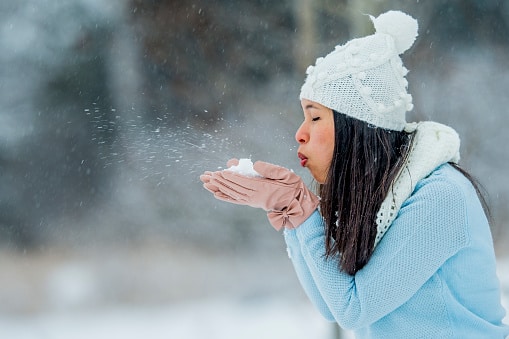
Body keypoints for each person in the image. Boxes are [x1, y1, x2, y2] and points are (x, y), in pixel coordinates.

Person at [200, 10, 509, 338]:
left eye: (315, 118)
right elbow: (329, 304)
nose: (300, 133)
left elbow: (354, 308)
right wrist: (291, 213)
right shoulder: (380, 201)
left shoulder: (440, 196)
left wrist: (305, 213)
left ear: (356, 127)